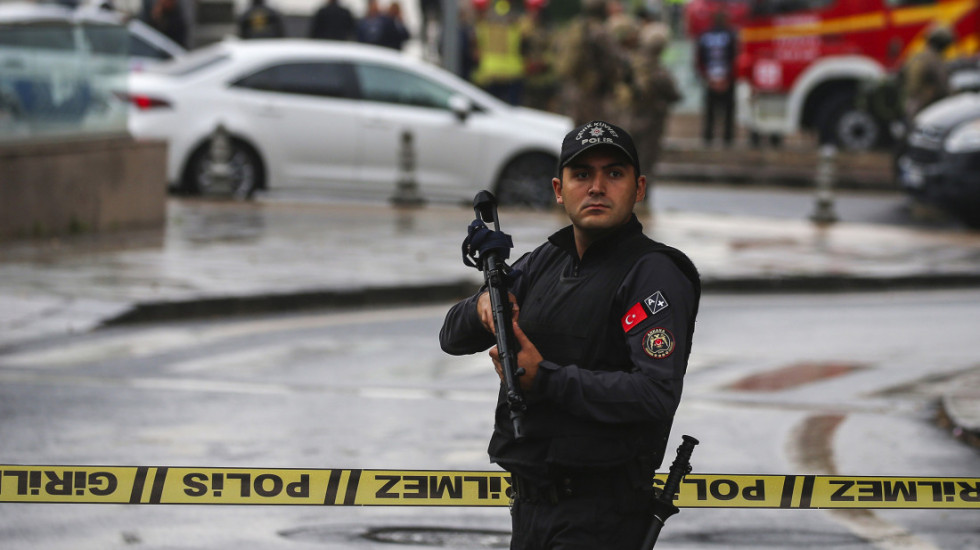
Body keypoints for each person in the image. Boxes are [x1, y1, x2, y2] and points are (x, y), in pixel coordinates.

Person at [440, 120, 701, 550]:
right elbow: (451, 338)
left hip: (601, 514)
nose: (597, 187)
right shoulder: (544, 261)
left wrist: (545, 379)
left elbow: (654, 393)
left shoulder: (652, 273)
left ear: (638, 188)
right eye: (582, 175)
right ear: (559, 191)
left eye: (614, 173)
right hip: (530, 508)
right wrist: (483, 305)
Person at [696, 10, 737, 147]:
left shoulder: (704, 35)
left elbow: (699, 58)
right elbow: (735, 57)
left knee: (710, 110)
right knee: (728, 110)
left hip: (711, 77)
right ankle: (727, 138)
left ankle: (708, 137)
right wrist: (729, 77)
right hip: (726, 78)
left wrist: (706, 76)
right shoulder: (731, 35)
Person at [902, 25, 954, 122]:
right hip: (927, 110)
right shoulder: (935, 61)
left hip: (911, 108)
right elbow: (944, 88)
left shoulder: (917, 57)